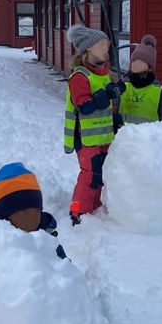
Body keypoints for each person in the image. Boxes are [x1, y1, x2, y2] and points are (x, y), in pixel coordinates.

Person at [64, 24, 124, 224]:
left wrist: (116, 94)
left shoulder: (103, 73)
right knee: (88, 174)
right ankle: (76, 211)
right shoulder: (79, 76)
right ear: (88, 49)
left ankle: (95, 206)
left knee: (101, 173)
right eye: (102, 45)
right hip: (86, 138)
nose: (106, 49)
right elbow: (85, 106)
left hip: (104, 136)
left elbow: (107, 106)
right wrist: (106, 94)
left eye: (106, 45)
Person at [119, 35, 162, 123]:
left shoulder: (158, 90)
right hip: (125, 134)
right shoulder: (122, 84)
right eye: (134, 60)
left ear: (150, 67)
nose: (135, 63)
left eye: (140, 61)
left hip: (150, 135)